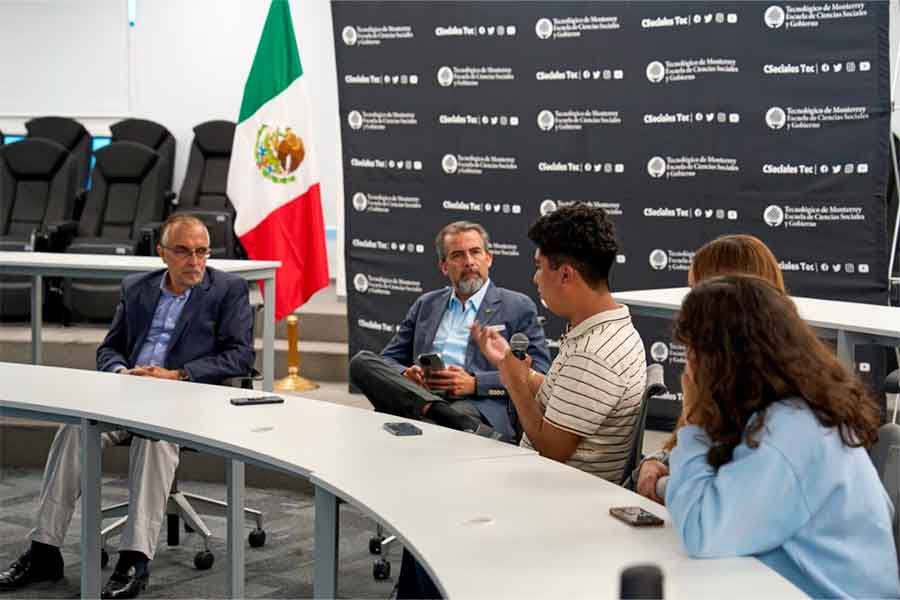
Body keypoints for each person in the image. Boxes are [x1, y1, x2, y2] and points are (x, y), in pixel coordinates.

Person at [0, 214, 255, 599]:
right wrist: (120, 371)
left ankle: (134, 559)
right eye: (183, 251)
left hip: (187, 400)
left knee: (154, 441)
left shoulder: (228, 290)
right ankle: (44, 550)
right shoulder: (138, 288)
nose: (195, 261)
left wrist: (177, 375)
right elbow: (109, 347)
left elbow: (239, 357)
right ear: (162, 253)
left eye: (202, 251)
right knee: (73, 429)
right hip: (128, 395)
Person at [665, 275, 899, 598]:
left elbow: (703, 531)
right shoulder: (792, 413)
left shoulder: (788, 431)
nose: (688, 367)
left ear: (722, 359)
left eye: (693, 352)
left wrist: (692, 421)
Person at [472, 203, 646, 480]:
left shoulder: (593, 354)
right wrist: (523, 373)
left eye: (540, 267)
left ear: (565, 274)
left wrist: (515, 385)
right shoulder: (610, 327)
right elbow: (568, 393)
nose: (535, 278)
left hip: (554, 494)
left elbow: (552, 450)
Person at [349, 221, 550, 442]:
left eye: (475, 252)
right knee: (361, 363)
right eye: (458, 255)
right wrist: (407, 375)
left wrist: (475, 383)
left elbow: (540, 372)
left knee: (432, 427)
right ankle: (440, 412)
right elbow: (388, 359)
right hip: (424, 395)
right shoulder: (426, 304)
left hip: (476, 404)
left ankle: (435, 415)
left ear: (488, 258)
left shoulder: (517, 306)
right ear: (444, 266)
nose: (469, 262)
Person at [634, 234, 786, 503]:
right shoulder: (739, 368)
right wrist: (657, 462)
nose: (687, 306)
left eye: (695, 291)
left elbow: (713, 513)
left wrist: (667, 481)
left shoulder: (774, 403)